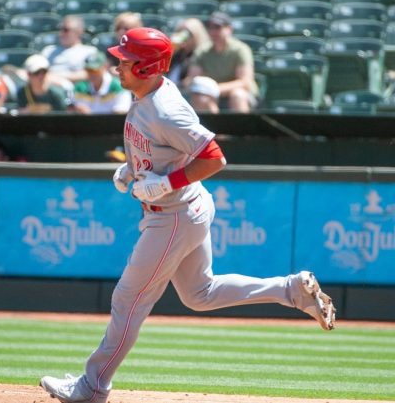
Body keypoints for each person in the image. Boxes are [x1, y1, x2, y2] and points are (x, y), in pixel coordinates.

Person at [39, 27, 336, 403]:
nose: (117, 67)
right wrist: (134, 169)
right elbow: (159, 147)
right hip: (183, 208)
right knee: (200, 294)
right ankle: (290, 290)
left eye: (125, 62)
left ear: (147, 68)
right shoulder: (148, 95)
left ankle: (93, 385)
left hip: (174, 213)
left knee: (128, 300)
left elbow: (214, 158)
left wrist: (164, 183)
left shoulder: (166, 109)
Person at [184, 12, 258, 113]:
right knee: (200, 98)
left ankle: (242, 128)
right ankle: (214, 128)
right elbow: (193, 78)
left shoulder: (240, 49)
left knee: (237, 95)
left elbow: (245, 82)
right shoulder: (202, 51)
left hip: (238, 93)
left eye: (217, 27)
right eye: (210, 28)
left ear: (229, 29)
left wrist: (217, 89)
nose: (213, 31)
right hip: (210, 94)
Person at [41, 15, 99, 85]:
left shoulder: (89, 51)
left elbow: (90, 74)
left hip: (76, 90)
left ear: (79, 32)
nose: (61, 33)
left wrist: (53, 77)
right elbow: (35, 70)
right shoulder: (48, 50)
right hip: (48, 89)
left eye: (66, 30)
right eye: (60, 29)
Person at [166, 17, 211, 87]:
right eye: (180, 32)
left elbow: (190, 80)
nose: (184, 37)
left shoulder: (201, 55)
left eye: (188, 34)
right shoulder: (177, 53)